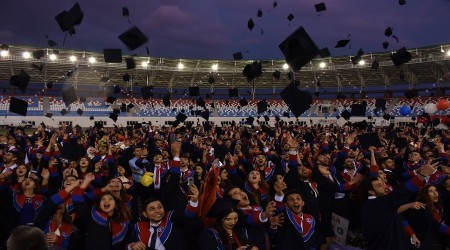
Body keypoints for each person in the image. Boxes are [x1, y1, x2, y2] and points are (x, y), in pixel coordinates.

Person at [361, 160, 438, 250]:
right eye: (379, 186)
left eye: (383, 184)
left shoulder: (380, 204)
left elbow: (399, 217)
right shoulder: (374, 205)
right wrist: (422, 175)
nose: (385, 187)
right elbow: (401, 193)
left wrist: (411, 234)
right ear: (371, 191)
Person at [127, 183, 199, 250]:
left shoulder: (171, 218)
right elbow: (127, 243)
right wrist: (132, 245)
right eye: (152, 209)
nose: (157, 211)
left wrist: (194, 201)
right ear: (145, 214)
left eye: (160, 207)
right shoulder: (138, 226)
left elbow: (187, 215)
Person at [71, 173, 131, 250]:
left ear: (115, 205)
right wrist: (86, 181)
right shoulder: (92, 215)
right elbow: (76, 198)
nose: (106, 202)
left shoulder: (124, 221)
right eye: (103, 199)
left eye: (110, 199)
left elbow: (128, 242)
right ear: (99, 205)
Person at [403, 185, 450, 250]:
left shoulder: (438, 207)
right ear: (425, 194)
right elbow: (433, 223)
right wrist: (448, 230)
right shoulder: (421, 207)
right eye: (430, 191)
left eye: (435, 190)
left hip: (436, 241)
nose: (435, 193)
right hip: (424, 242)